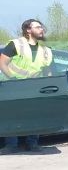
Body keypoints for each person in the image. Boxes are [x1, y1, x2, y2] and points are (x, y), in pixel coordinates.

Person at [0, 19, 53, 154]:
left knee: (35, 114)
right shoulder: (16, 44)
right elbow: (2, 63)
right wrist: (12, 79)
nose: (41, 29)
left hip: (34, 87)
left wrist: (50, 87)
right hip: (14, 85)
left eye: (41, 27)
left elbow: (48, 72)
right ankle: (11, 145)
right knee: (13, 115)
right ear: (28, 30)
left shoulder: (45, 50)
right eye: (37, 27)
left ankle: (32, 144)